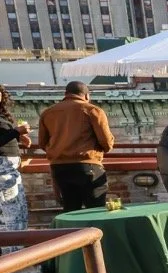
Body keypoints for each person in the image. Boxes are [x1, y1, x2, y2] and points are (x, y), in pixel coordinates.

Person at [37, 80, 114, 212]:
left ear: (65, 94)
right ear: (87, 96)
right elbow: (106, 142)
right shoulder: (93, 110)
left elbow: (42, 143)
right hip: (87, 166)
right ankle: (96, 233)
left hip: (59, 168)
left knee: (70, 210)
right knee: (96, 210)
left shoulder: (48, 113)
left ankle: (71, 233)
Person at [0, 86, 31, 250]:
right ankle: (13, 259)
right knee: (11, 216)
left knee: (17, 213)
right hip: (2, 171)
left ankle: (14, 255)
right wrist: (16, 132)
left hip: (9, 169)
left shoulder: (2, 116)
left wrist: (19, 137)